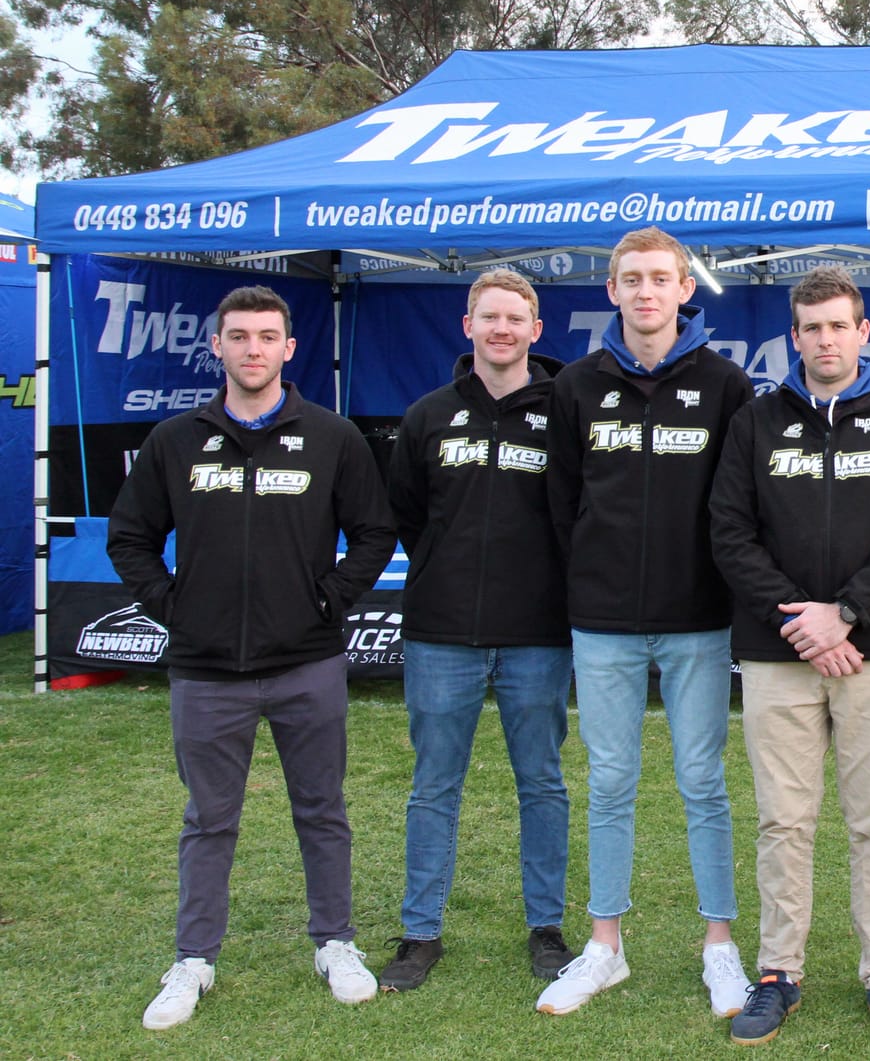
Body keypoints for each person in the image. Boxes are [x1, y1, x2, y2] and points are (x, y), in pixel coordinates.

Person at [107, 285, 396, 1030]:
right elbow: (129, 537)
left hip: (307, 662)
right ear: (219, 346)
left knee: (322, 809)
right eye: (239, 335)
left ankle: (335, 940)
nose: (253, 348)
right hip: (205, 671)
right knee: (209, 817)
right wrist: (176, 606)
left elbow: (374, 533)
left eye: (267, 335)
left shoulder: (333, 436)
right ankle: (194, 957)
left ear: (289, 347)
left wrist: (329, 599)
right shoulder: (176, 439)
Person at [709, 265, 870, 1047]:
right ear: (794, 336)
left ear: (862, 331)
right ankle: (778, 971)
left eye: (838, 324)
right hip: (780, 651)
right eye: (811, 327)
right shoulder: (756, 420)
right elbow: (730, 532)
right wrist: (803, 622)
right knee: (784, 818)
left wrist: (845, 613)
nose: (825, 339)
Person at [536, 228, 755, 1019]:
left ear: (685, 289)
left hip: (698, 618)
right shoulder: (576, 385)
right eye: (632, 278)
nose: (647, 291)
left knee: (703, 782)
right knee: (611, 780)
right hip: (602, 623)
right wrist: (595, 576)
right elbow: (563, 502)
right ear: (612, 290)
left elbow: (737, 505)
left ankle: (720, 947)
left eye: (661, 278)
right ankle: (605, 946)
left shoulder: (727, 384)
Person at [380, 269, 573, 991]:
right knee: (434, 786)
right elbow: (406, 511)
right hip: (441, 634)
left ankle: (546, 928)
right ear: (468, 327)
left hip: (538, 634)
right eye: (488, 316)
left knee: (542, 783)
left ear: (534, 328)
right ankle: (419, 932)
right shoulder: (428, 415)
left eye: (514, 318)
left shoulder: (565, 410)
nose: (501, 329)